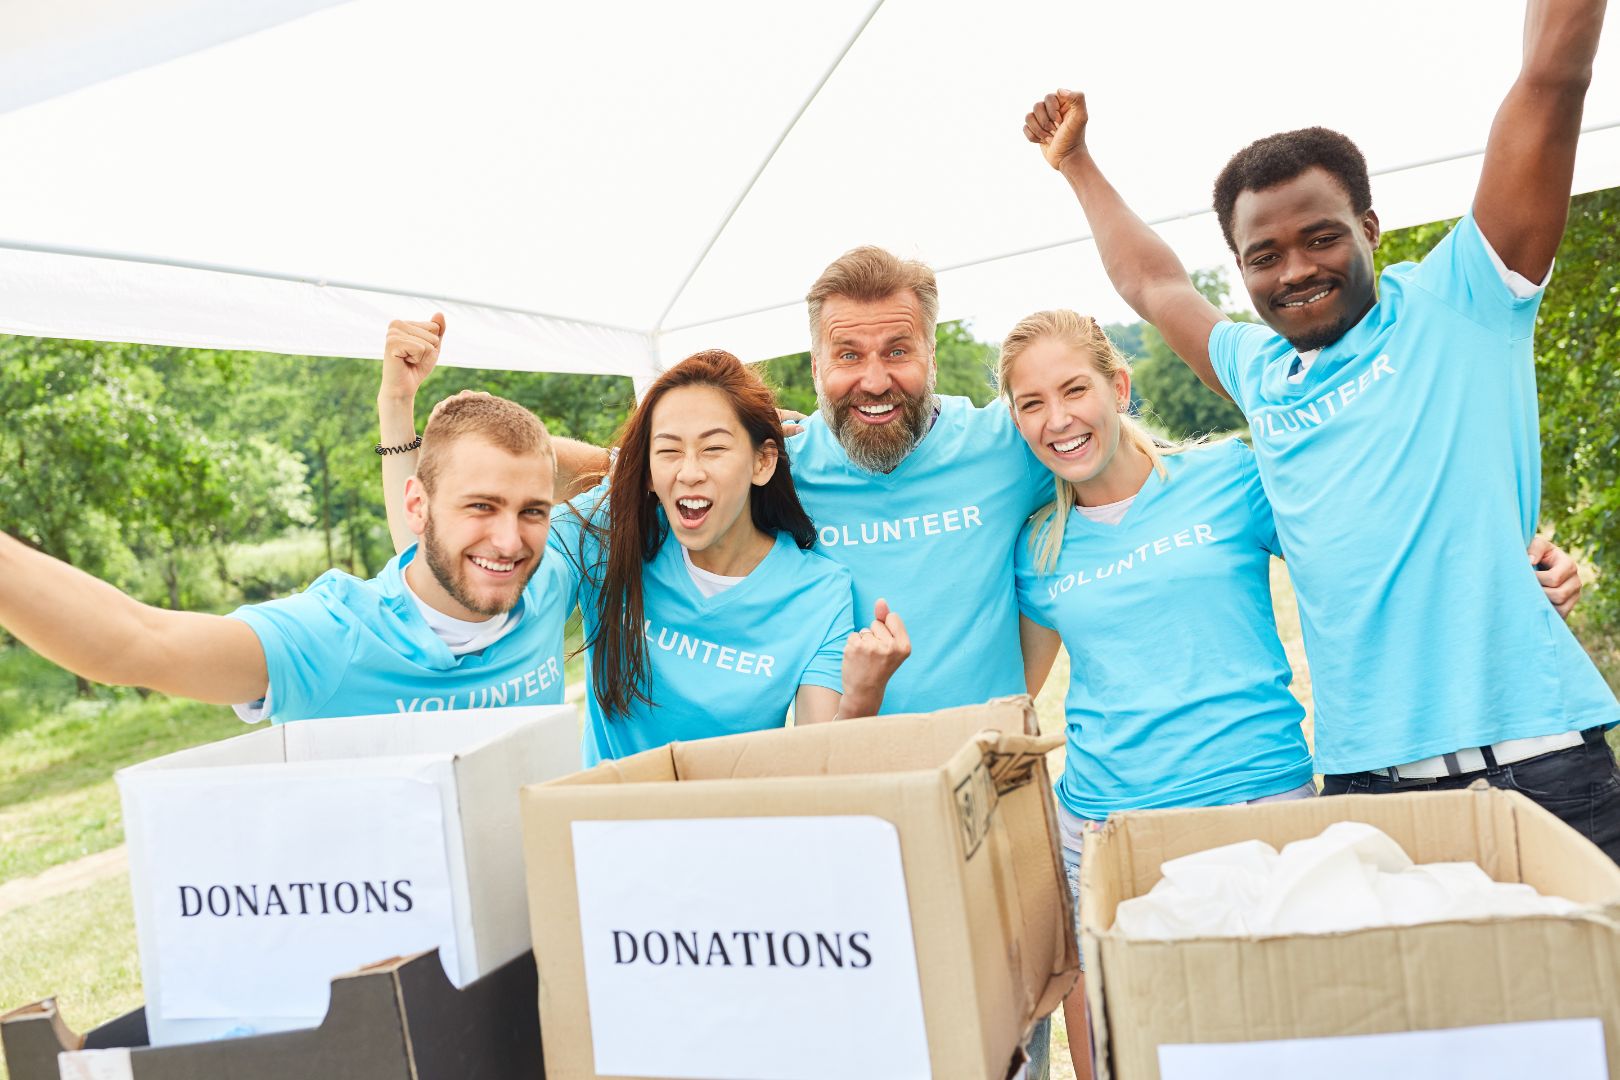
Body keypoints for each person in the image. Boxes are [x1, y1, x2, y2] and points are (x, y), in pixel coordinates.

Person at [1022, 0, 1619, 863]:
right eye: (1265, 256)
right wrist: (1077, 165)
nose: (1295, 269)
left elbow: (1549, 81)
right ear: (1242, 270)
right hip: (1366, 794)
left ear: (1370, 230)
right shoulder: (1260, 372)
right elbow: (1153, 286)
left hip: (1536, 770)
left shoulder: (1467, 295)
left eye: (1321, 238)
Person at [1001, 310, 1319, 1078]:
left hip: (1262, 808)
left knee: (1288, 1047)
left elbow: (1355, 557)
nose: (1058, 419)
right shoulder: (1037, 546)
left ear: (1118, 385)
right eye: (1031, 403)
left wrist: (1518, 565)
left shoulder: (1232, 478)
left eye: (1074, 389)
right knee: (1125, 1060)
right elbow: (1013, 695)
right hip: (1110, 835)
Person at [378, 320, 910, 763]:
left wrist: (863, 694)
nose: (690, 472)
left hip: (734, 852)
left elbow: (823, 762)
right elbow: (439, 569)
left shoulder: (818, 589)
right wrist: (397, 405)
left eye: (715, 449)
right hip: (600, 844)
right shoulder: (610, 534)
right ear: (648, 474)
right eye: (669, 451)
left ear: (763, 461)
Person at [0, 392, 572, 722]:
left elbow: (635, 468)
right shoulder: (332, 636)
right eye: (480, 506)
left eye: (532, 510)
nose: (508, 541)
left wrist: (404, 410)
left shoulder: (553, 576)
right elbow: (135, 642)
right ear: (417, 506)